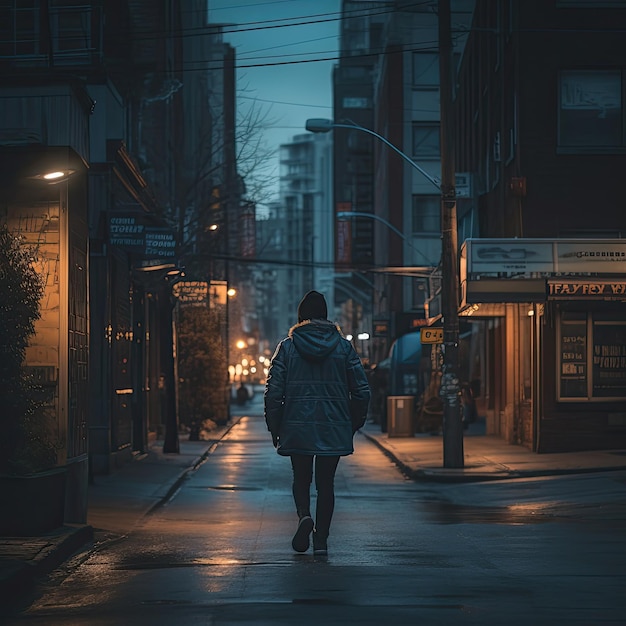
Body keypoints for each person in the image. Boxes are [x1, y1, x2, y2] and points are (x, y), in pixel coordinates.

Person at [264, 290, 370, 556]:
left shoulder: (287, 347)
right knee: (327, 484)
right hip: (333, 426)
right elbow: (361, 390)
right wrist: (352, 424)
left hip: (296, 426)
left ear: (300, 317)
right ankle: (321, 539)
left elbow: (273, 392)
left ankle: (303, 516)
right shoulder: (343, 347)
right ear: (325, 315)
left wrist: (275, 427)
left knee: (301, 478)